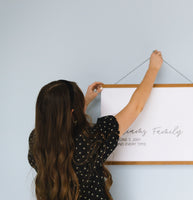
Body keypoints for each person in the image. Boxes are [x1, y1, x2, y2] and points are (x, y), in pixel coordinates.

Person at [28, 50, 163, 200]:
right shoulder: (92, 138)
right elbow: (135, 107)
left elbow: (61, 125)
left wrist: (83, 102)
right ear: (73, 111)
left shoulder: (36, 140)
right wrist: (153, 69)